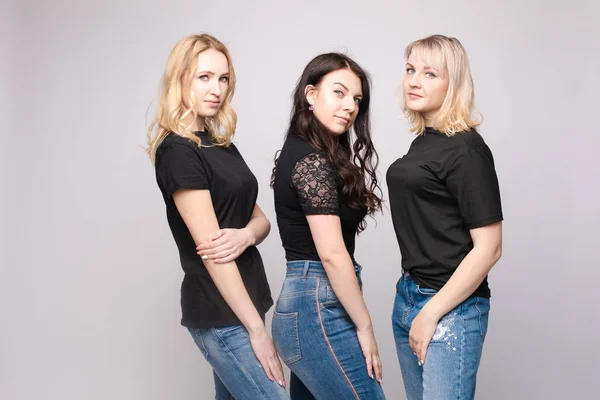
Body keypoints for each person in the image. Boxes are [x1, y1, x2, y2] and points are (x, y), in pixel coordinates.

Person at [146, 34, 289, 400]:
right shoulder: (178, 151)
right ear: (180, 80)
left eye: (223, 79)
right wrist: (256, 330)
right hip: (222, 312)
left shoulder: (220, 144)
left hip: (242, 305)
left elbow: (260, 220)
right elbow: (212, 252)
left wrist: (245, 236)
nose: (217, 89)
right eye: (204, 77)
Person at [387, 34, 503, 400]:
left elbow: (490, 248)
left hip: (450, 308)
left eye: (430, 73)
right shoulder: (425, 141)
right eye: (410, 70)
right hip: (409, 296)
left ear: (453, 83)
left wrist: (431, 313)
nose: (414, 80)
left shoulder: (468, 148)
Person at [271, 53, 386, 399]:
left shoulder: (308, 152)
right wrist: (365, 327)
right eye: (339, 92)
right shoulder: (311, 161)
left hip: (309, 304)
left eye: (356, 99)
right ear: (310, 94)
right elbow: (333, 254)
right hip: (316, 306)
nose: (350, 106)